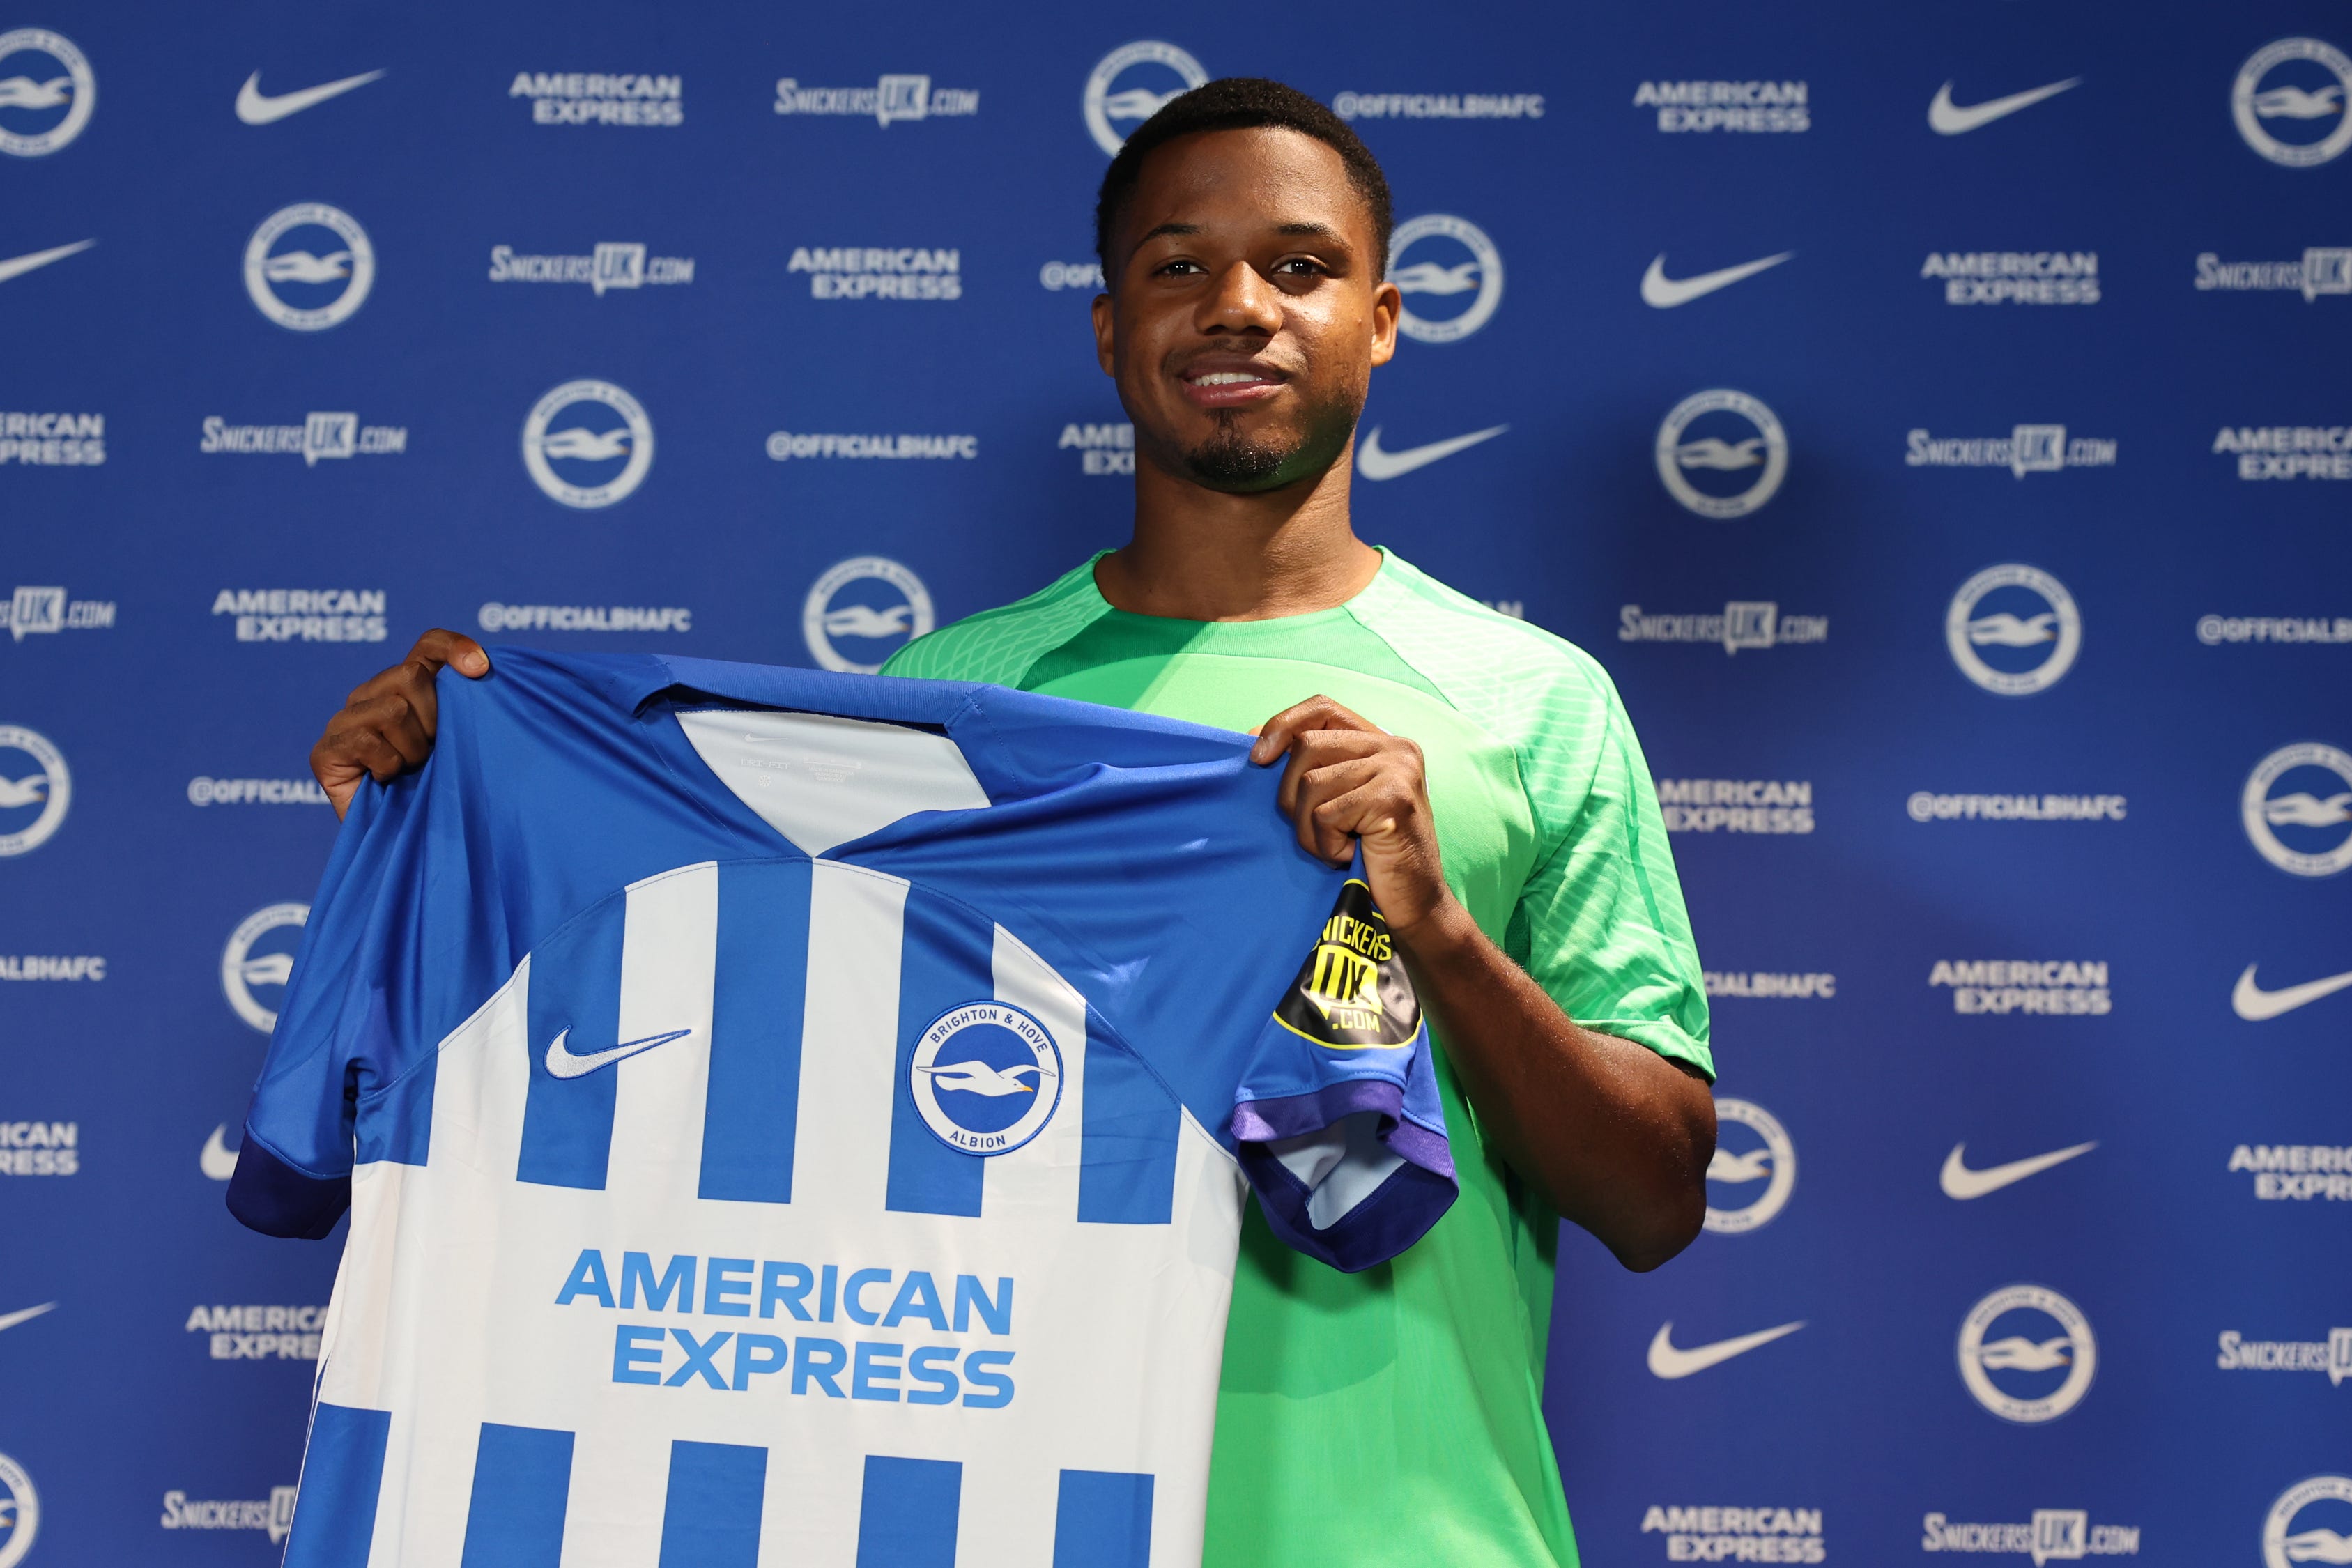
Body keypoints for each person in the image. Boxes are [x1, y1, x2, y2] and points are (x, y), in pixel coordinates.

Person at [309, 78, 1714, 1568]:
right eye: (1178, 267)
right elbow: (761, 1089)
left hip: (1403, 1533)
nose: (1237, 306)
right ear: (1111, 332)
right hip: (1004, 1521)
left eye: (1298, 266)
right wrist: (443, 799)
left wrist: (1431, 933)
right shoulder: (947, 693)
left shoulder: (1528, 701)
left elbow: (1652, 1199)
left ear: (1379, 318)